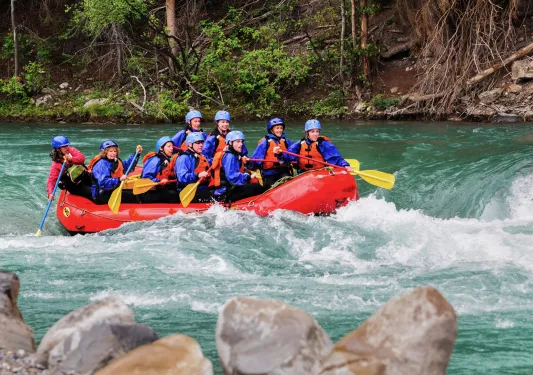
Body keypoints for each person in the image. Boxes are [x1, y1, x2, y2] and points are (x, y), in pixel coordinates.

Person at [210, 131, 266, 203]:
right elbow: (231, 177)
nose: (241, 144)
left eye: (241, 142)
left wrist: (247, 171)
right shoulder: (230, 157)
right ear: (230, 143)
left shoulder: (234, 155)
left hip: (230, 188)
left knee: (256, 184)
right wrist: (247, 177)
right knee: (261, 187)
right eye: (238, 142)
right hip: (225, 192)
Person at [286, 119, 354, 173]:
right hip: (303, 173)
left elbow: (335, 158)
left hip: (320, 173)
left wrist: (345, 165)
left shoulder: (323, 144)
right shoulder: (300, 144)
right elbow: (288, 156)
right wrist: (279, 154)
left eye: (317, 131)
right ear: (307, 132)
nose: (315, 134)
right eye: (312, 132)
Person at [88, 140, 143, 205]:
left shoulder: (115, 161)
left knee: (136, 191)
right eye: (110, 151)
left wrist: (137, 154)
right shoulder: (101, 164)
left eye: (115, 151)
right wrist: (118, 180)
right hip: (102, 194)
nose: (113, 153)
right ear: (104, 152)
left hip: (114, 188)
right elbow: (103, 183)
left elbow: (128, 166)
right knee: (134, 195)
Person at [250, 117, 294, 187]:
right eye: (277, 128)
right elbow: (256, 158)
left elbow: (294, 154)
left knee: (287, 183)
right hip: (269, 173)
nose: (279, 130)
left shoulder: (286, 141)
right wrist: (250, 165)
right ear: (271, 130)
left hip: (283, 170)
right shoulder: (265, 142)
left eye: (281, 128)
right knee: (270, 187)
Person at [47, 135, 92, 200]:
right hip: (74, 185)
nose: (67, 148)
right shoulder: (56, 165)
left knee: (99, 183)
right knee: (93, 192)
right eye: (64, 147)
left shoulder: (71, 150)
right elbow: (51, 180)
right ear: (58, 149)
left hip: (82, 175)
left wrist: (72, 159)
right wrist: (50, 193)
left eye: (67, 145)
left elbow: (82, 158)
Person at [174, 132, 213, 203]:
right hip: (190, 190)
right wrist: (197, 175)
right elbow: (182, 177)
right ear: (189, 144)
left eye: (202, 142)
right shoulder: (183, 158)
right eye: (198, 143)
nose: (201, 145)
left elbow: (209, 162)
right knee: (215, 196)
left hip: (202, 187)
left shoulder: (200, 155)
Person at [139, 136, 179, 203]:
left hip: (160, 188)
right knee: (173, 195)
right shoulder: (155, 160)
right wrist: (159, 180)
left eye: (172, 146)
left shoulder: (166, 160)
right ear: (161, 148)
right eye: (169, 146)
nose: (172, 148)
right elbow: (145, 177)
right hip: (148, 192)